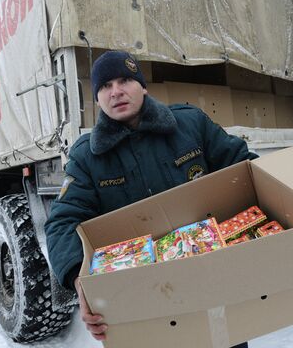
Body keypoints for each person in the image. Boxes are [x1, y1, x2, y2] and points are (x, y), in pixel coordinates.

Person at [44, 50, 258, 346]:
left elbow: (243, 167)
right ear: (97, 99)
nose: (115, 91)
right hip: (142, 296)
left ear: (142, 86)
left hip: (210, 279)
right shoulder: (85, 157)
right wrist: (79, 279)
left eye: (124, 80)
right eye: (105, 86)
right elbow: (63, 221)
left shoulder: (190, 124)